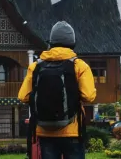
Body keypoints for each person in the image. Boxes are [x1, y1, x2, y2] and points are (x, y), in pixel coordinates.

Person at [18, 21, 96, 159]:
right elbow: (89, 96)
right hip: (72, 131)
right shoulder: (80, 66)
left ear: (51, 43)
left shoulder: (36, 66)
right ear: (72, 43)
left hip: (45, 132)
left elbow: (23, 96)